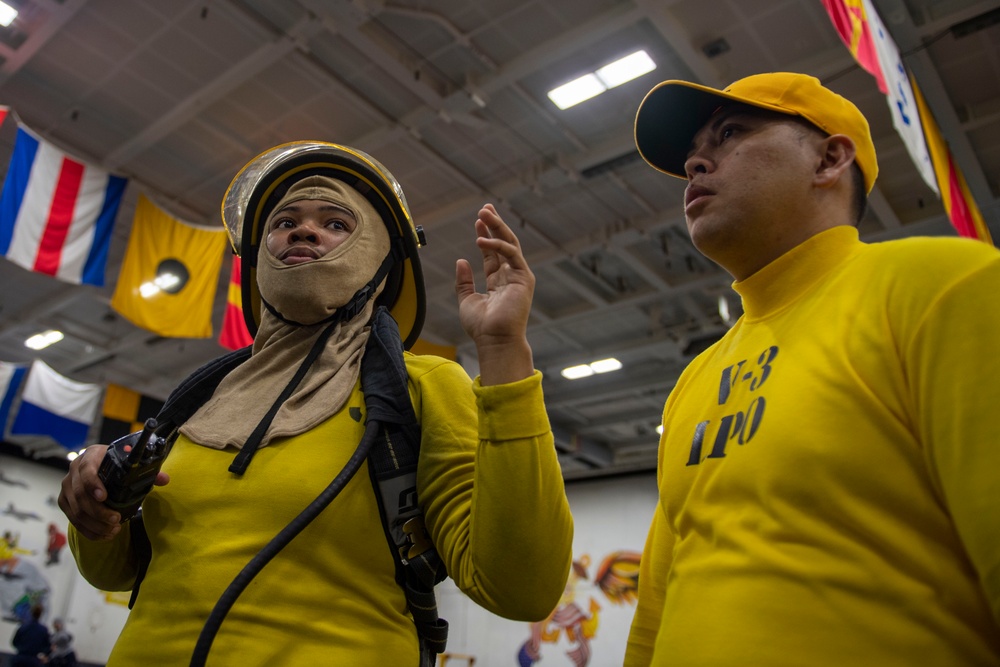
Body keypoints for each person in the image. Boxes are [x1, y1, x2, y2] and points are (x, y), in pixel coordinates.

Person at [58, 142, 574, 665]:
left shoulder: (422, 386)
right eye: (283, 223)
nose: (302, 231)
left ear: (379, 258)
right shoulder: (198, 400)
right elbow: (115, 572)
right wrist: (93, 510)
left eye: (336, 223)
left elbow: (522, 589)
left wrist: (505, 352)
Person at [625, 72, 1000, 665]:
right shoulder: (693, 381)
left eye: (729, 133)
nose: (696, 163)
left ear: (830, 158)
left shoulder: (944, 288)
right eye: (694, 153)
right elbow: (656, 606)